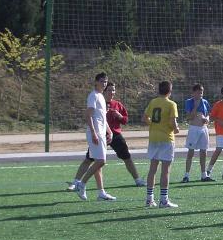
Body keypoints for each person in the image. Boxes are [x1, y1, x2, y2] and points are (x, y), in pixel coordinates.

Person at [67, 81, 146, 191]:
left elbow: (125, 120)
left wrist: (119, 116)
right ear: (104, 91)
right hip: (101, 135)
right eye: (109, 90)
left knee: (127, 157)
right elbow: (91, 116)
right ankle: (75, 183)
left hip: (115, 135)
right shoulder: (99, 101)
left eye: (113, 90)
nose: (111, 92)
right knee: (89, 159)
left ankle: (138, 180)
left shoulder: (118, 104)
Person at [73, 72, 116, 201]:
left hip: (101, 133)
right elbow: (88, 115)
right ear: (96, 82)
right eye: (102, 81)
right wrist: (93, 133)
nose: (104, 84)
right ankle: (82, 183)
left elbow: (102, 117)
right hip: (96, 133)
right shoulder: (93, 96)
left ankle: (101, 193)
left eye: (105, 82)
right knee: (101, 161)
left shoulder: (101, 97)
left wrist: (110, 131)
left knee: (98, 163)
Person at [143, 80, 181, 208]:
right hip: (166, 139)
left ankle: (149, 199)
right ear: (170, 91)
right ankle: (164, 200)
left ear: (158, 90)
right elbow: (172, 122)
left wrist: (154, 125)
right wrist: (176, 129)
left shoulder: (153, 102)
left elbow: (145, 118)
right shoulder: (171, 104)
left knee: (152, 169)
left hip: (153, 138)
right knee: (165, 171)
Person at [182, 84, 211, 182]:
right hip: (194, 128)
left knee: (204, 151)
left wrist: (206, 119)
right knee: (191, 152)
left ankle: (204, 175)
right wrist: (196, 106)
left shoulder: (205, 102)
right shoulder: (189, 102)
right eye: (198, 92)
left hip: (203, 128)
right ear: (193, 93)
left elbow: (208, 115)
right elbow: (189, 117)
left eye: (201, 92)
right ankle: (186, 175)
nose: (200, 94)